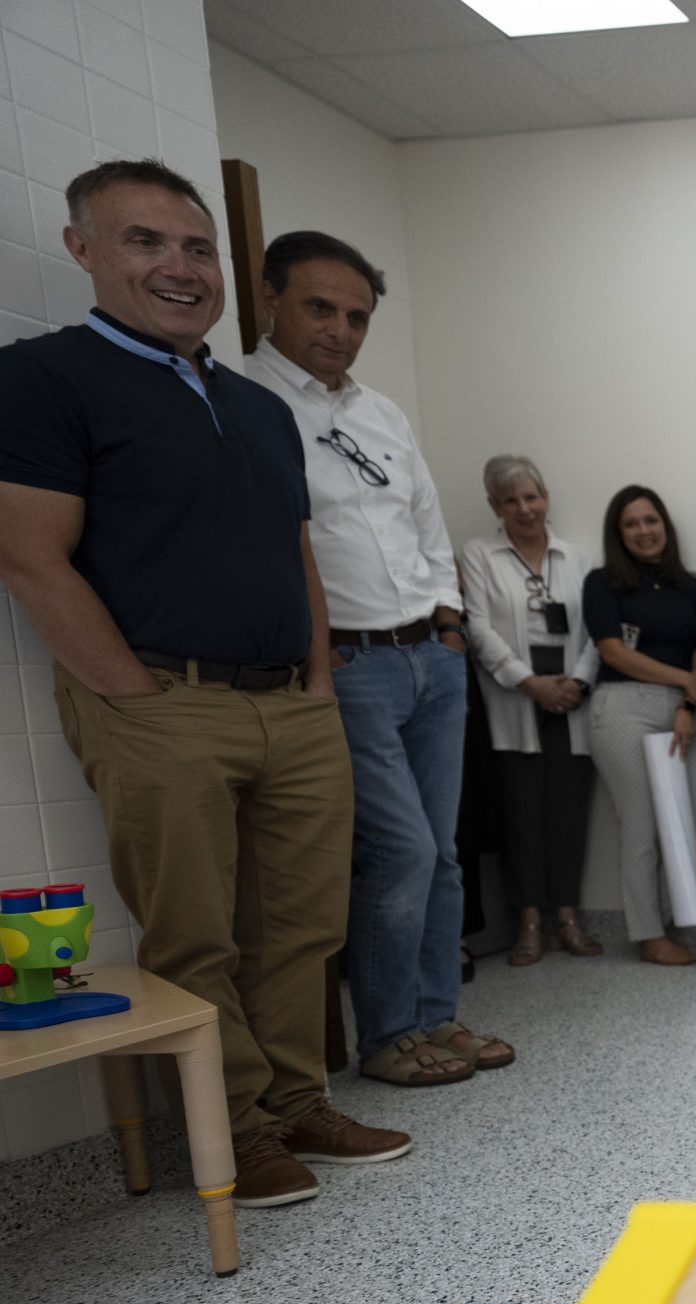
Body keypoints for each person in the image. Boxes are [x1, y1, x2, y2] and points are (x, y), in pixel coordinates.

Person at [0, 160, 406, 1208]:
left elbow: (294, 551)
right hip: (163, 703)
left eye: (195, 248)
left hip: (292, 701)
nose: (178, 268)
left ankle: (294, 1100)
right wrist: (131, 693)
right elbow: (32, 556)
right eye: (145, 243)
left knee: (306, 925)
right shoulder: (45, 378)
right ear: (84, 249)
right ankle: (235, 1130)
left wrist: (317, 678)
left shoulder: (258, 409)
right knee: (196, 929)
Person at [245, 229, 513, 1088]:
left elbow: (426, 523)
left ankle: (439, 1015)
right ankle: (389, 1031)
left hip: (428, 659)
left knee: (440, 851)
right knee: (395, 851)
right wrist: (323, 657)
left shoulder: (381, 412)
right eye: (320, 307)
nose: (340, 329)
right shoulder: (248, 403)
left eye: (357, 315)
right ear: (269, 300)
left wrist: (447, 625)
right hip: (349, 665)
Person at [458, 454, 599, 966]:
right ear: (495, 506)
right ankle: (529, 923)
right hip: (515, 695)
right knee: (520, 816)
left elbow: (595, 630)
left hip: (572, 695)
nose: (525, 508)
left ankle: (568, 917)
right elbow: (477, 627)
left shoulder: (577, 557)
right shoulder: (479, 553)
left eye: (532, 496)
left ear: (546, 498)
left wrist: (578, 682)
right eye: (512, 500)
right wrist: (529, 682)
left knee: (567, 814)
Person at [584, 485, 696, 966]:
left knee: (695, 826)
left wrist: (688, 703)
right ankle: (649, 932)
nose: (644, 531)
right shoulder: (602, 584)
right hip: (622, 707)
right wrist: (685, 680)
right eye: (632, 524)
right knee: (641, 827)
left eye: (651, 520)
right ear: (619, 535)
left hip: (684, 712)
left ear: (666, 525)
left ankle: (671, 914)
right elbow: (614, 652)